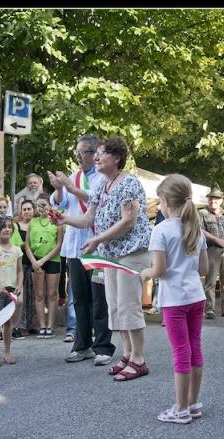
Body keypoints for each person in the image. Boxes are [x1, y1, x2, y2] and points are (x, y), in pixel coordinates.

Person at [58, 136, 152, 379]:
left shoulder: (129, 183)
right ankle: (128, 355)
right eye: (96, 154)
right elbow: (88, 219)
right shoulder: (102, 186)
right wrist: (63, 219)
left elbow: (128, 221)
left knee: (129, 306)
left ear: (117, 158)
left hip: (131, 253)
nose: (96, 158)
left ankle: (139, 360)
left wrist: (98, 240)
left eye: (101, 154)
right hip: (110, 255)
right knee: (115, 306)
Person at [142, 174, 208, 424]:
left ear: (166, 201)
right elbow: (202, 269)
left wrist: (144, 273)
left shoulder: (160, 230)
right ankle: (193, 403)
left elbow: (158, 271)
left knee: (181, 351)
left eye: (159, 201)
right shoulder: (196, 230)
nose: (158, 205)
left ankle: (180, 408)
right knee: (195, 347)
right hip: (196, 297)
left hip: (174, 301)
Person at [48, 135, 115, 365]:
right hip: (75, 245)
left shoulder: (103, 177)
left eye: (83, 152)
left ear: (94, 153)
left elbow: (93, 199)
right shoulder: (74, 176)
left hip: (96, 243)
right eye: (76, 152)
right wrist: (58, 190)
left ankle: (103, 346)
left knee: (99, 298)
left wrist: (69, 187)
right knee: (80, 298)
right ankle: (82, 344)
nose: (78, 156)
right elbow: (61, 204)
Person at [0, 216, 23, 367]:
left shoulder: (17, 250)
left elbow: (20, 271)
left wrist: (19, 285)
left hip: (12, 289)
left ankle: (7, 352)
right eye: (4, 227)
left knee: (7, 323)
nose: (7, 229)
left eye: (9, 227)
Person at [25, 193, 63, 338]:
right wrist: (34, 261)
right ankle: (42, 326)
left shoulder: (56, 222)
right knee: (39, 294)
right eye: (39, 205)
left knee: (52, 294)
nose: (41, 208)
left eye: (44, 205)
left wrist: (44, 260)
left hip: (52, 260)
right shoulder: (32, 222)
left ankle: (50, 326)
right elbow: (27, 245)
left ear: (50, 205)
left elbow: (59, 244)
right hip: (36, 261)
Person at [199, 183, 224, 319]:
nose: (213, 200)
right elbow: (200, 230)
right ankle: (209, 310)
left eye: (216, 198)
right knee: (210, 281)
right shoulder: (202, 213)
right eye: (210, 198)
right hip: (211, 250)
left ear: (221, 200)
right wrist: (217, 240)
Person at [15, 199, 39, 335]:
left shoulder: (37, 224)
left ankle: (33, 324)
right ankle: (21, 324)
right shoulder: (16, 226)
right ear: (21, 211)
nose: (27, 211)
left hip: (36, 263)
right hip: (21, 263)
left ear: (33, 210)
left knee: (35, 294)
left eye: (29, 209)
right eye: (24, 209)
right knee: (21, 296)